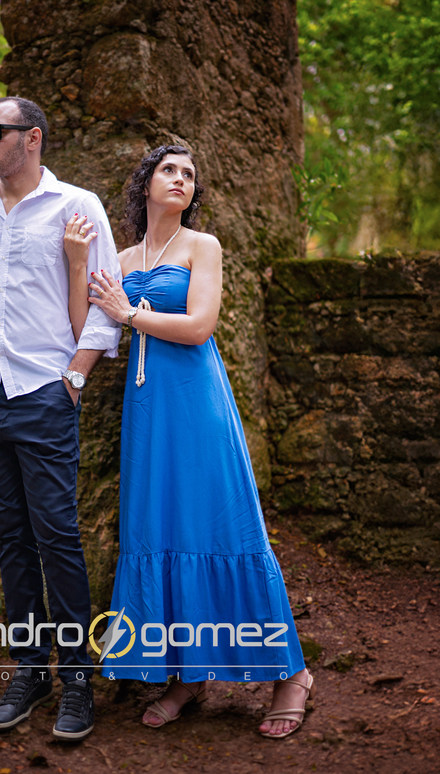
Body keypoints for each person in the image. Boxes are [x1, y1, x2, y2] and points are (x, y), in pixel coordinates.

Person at [64, 145, 314, 739]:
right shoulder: (123, 258)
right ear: (145, 183)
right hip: (148, 411)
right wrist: (77, 265)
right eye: (168, 170)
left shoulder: (204, 247)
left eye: (189, 174)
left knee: (224, 528)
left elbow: (200, 327)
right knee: (161, 529)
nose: (180, 179)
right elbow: (85, 330)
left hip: (198, 401)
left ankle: (291, 674)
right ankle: (186, 675)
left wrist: (130, 314)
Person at [0, 96, 122, 741]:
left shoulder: (78, 206)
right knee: (11, 538)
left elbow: (105, 303)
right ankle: (29, 670)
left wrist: (74, 379)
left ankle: (77, 680)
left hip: (43, 394)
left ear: (32, 138)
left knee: (58, 535)